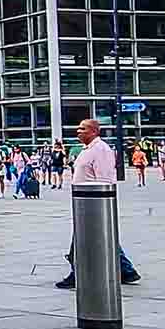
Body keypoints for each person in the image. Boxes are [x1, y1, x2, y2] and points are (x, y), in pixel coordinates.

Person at [55, 119, 142, 289]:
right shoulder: (86, 150)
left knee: (84, 239)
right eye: (78, 127)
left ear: (94, 131)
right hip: (83, 201)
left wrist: (100, 199)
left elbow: (104, 178)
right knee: (103, 237)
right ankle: (126, 270)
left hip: (94, 201)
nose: (78, 131)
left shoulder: (101, 150)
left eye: (83, 128)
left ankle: (77, 273)